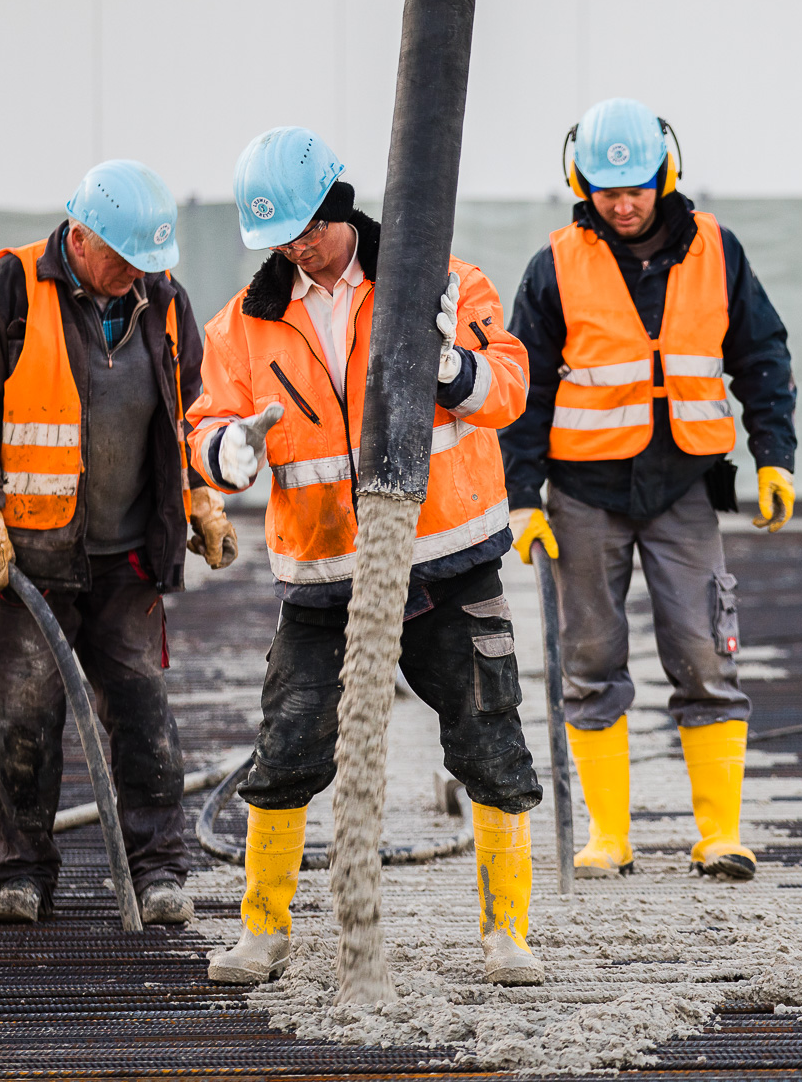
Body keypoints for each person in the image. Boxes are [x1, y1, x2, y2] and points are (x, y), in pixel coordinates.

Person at [190, 127, 542, 986]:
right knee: (286, 750)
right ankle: (263, 930)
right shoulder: (244, 326)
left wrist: (453, 366)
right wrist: (226, 453)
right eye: (282, 239)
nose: (300, 250)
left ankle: (506, 934)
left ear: (340, 205)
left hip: (448, 561)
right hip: (321, 577)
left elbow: (512, 385)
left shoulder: (440, 281)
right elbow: (203, 423)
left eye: (309, 229)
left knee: (489, 740)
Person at [500, 98, 797, 883]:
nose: (623, 204)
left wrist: (775, 458)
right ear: (580, 182)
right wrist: (521, 496)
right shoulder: (553, 266)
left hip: (685, 488)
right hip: (583, 492)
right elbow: (521, 388)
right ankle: (609, 838)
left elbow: (761, 354)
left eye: (636, 188)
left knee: (705, 653)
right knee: (591, 660)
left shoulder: (718, 252)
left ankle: (721, 834)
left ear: (666, 176)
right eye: (607, 190)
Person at [0, 160, 234, 926]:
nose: (136, 272)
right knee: (24, 718)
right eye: (124, 256)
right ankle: (23, 874)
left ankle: (159, 870)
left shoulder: (162, 302)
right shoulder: (10, 288)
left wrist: (200, 501)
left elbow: (189, 418)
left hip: (127, 561)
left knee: (142, 715)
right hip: (31, 560)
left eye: (146, 260)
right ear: (82, 235)